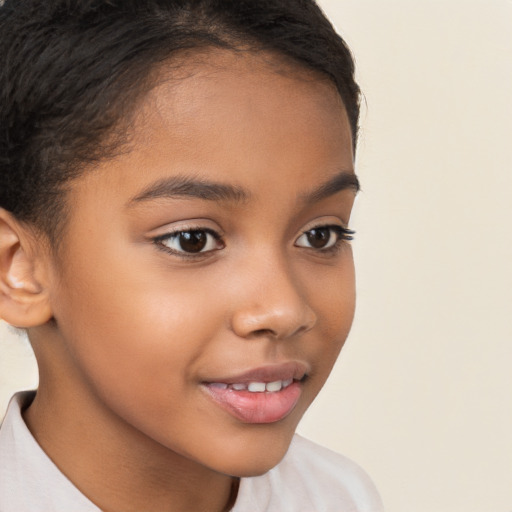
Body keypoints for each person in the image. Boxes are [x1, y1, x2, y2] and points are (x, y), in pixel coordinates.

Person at [0, 0, 384, 510]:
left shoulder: (339, 497)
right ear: (18, 269)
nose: (285, 310)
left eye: (320, 235)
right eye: (193, 240)